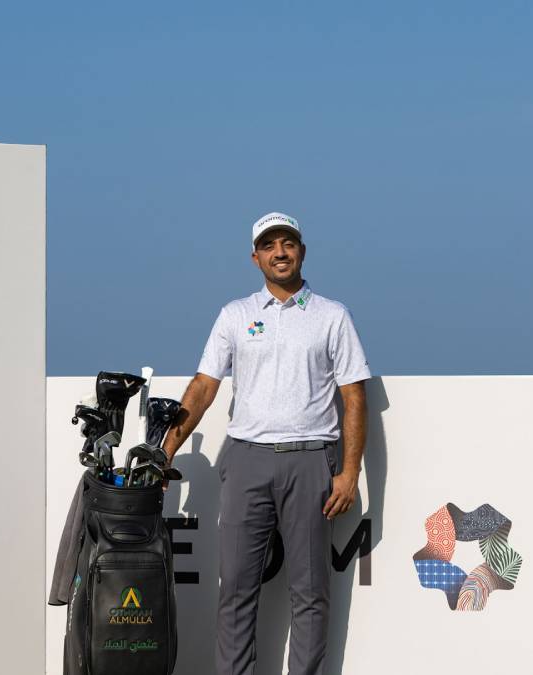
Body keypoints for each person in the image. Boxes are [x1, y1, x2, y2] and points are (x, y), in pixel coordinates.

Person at [162, 211, 370, 675]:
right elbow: (203, 387)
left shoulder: (332, 316)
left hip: (311, 460)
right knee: (235, 587)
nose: (280, 253)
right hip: (246, 461)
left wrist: (350, 471)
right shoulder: (235, 315)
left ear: (302, 251)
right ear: (255, 257)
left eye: (288, 243)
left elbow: (354, 396)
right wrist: (165, 452)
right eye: (269, 245)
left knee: (310, 592)